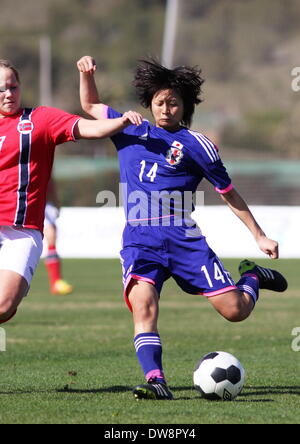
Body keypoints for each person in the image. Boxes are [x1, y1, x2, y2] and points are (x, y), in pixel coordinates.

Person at [77, 55, 288, 401]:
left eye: (173, 103)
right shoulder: (128, 127)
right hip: (140, 239)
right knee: (143, 304)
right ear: (150, 103)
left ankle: (252, 276)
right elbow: (90, 104)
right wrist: (86, 75)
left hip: (182, 238)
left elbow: (228, 193)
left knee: (235, 311)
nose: (165, 109)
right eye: (159, 102)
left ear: (185, 106)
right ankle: (157, 380)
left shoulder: (198, 145)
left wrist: (258, 235)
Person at [0, 58, 143, 326]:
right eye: (1, 89)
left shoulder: (40, 120)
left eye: (13, 87)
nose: (8, 94)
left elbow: (89, 128)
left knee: (4, 307)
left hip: (22, 231)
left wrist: (121, 122)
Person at [44, 176, 73, 295]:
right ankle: (55, 282)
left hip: (45, 202)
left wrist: (55, 200)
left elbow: (50, 180)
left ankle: (56, 281)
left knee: (52, 236)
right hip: (29, 201)